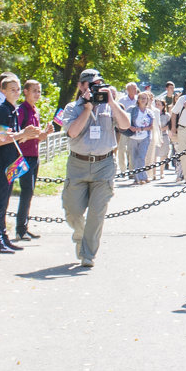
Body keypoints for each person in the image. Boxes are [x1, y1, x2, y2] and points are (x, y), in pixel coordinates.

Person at [61, 68, 130, 267]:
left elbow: (126, 125)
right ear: (81, 86)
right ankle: (80, 234)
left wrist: (112, 102)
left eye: (99, 83)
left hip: (104, 164)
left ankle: (88, 254)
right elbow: (73, 133)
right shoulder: (72, 108)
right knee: (72, 211)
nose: (95, 87)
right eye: (91, 84)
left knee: (96, 213)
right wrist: (87, 108)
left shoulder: (110, 107)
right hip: (78, 164)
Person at [0, 74, 39, 254]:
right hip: (1, 162)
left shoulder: (13, 110)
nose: (16, 93)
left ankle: (2, 236)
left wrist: (28, 134)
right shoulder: (2, 110)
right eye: (12, 90)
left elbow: (15, 138)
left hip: (11, 161)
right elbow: (0, 140)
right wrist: (22, 133)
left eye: (17, 89)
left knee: (5, 201)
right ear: (3, 91)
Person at [15, 79, 49, 239]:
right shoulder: (22, 110)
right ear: (26, 92)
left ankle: (24, 226)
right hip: (24, 156)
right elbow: (19, 134)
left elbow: (37, 137)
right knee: (26, 191)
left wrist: (45, 134)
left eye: (39, 91)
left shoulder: (35, 110)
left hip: (34, 155)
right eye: (34, 90)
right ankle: (20, 229)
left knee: (30, 192)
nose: (37, 94)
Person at [128, 92, 154, 184]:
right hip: (133, 136)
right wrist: (132, 128)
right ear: (138, 100)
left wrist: (141, 128)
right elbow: (126, 120)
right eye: (141, 98)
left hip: (144, 136)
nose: (143, 100)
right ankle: (137, 178)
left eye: (145, 98)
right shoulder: (132, 110)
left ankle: (143, 176)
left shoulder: (149, 112)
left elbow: (151, 126)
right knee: (134, 157)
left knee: (141, 157)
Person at [116, 82, 139, 172]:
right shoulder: (122, 100)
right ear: (128, 90)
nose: (135, 90)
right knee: (121, 148)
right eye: (133, 88)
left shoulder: (138, 100)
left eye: (135, 88)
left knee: (132, 149)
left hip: (134, 128)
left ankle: (131, 170)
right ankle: (122, 170)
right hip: (123, 128)